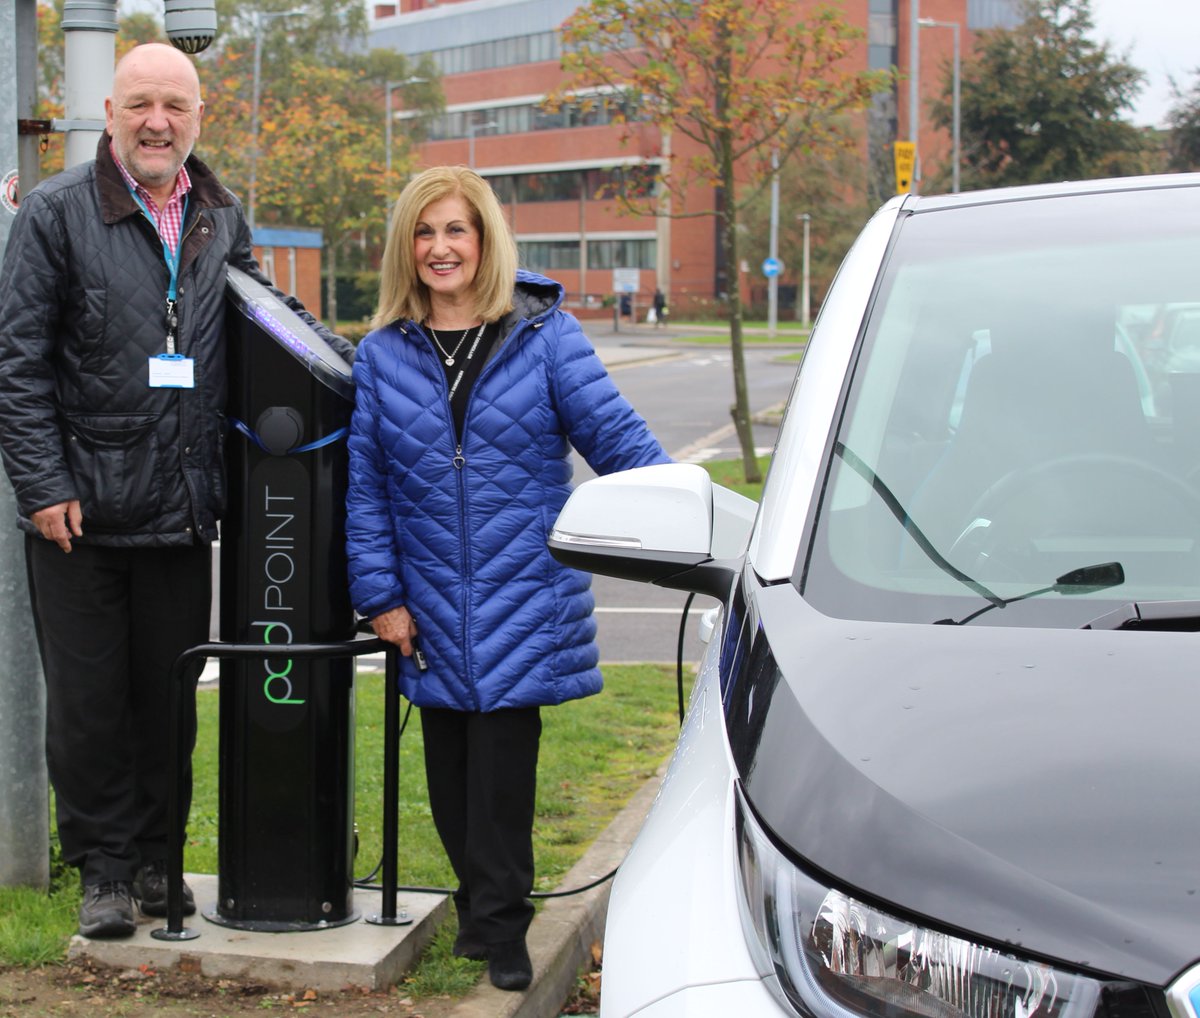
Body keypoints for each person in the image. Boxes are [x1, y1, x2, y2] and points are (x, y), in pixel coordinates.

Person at [0, 43, 352, 940]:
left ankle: (158, 862)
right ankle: (105, 873)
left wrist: (357, 366)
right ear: (111, 114)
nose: (159, 121)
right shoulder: (53, 214)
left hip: (184, 511)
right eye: (142, 104)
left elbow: (268, 319)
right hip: (77, 513)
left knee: (170, 699)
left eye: (177, 106)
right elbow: (19, 365)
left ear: (199, 118)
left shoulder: (219, 214)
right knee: (89, 711)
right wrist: (42, 484)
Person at [345, 165, 669, 992]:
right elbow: (369, 488)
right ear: (405, 249)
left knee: (501, 773)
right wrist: (380, 595)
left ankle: (501, 927)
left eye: (456, 230)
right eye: (424, 233)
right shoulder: (383, 356)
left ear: (484, 241)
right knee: (449, 775)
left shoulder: (544, 336)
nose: (440, 248)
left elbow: (621, 441)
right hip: (427, 603)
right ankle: (480, 907)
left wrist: (682, 512)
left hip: (524, 595)